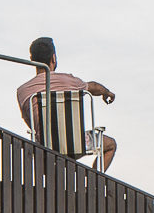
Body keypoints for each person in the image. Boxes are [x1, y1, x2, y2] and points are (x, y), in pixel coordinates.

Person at [16, 36, 117, 171]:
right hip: (77, 143)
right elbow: (94, 87)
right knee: (110, 145)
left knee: (41, 142)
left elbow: (32, 124)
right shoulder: (70, 81)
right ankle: (93, 184)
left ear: (32, 61)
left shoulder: (23, 91)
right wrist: (107, 92)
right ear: (53, 58)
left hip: (45, 147)